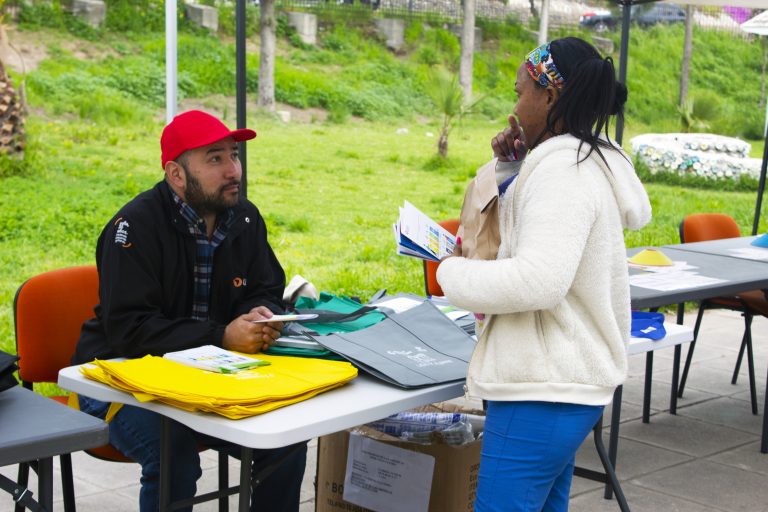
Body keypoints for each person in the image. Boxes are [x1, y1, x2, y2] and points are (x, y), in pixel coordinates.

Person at [436, 37, 652, 511]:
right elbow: (537, 238)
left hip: (541, 388)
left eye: (520, 93)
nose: (515, 107)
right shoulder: (578, 160)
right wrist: (512, 167)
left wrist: (450, 273)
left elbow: (538, 280)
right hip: (561, 387)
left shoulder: (563, 172)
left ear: (550, 96)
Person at [72, 110, 307, 512]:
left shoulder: (245, 217)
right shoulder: (133, 227)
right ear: (176, 174)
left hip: (207, 376)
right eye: (215, 159)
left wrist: (260, 316)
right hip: (119, 378)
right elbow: (129, 330)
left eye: (234, 155)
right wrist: (222, 336)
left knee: (287, 439)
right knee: (173, 455)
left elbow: (267, 287)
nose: (233, 170)